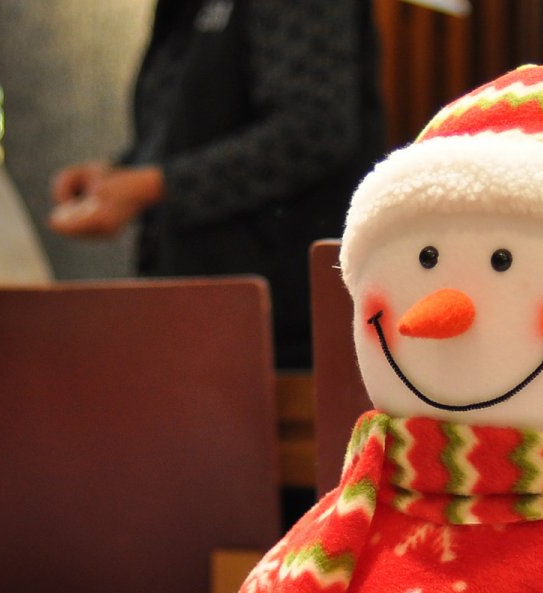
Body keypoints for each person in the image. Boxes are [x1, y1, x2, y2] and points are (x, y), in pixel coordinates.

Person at [49, 0, 386, 369]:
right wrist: (117, 175)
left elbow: (314, 128)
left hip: (286, 330)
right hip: (198, 314)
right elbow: (191, 128)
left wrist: (152, 186)